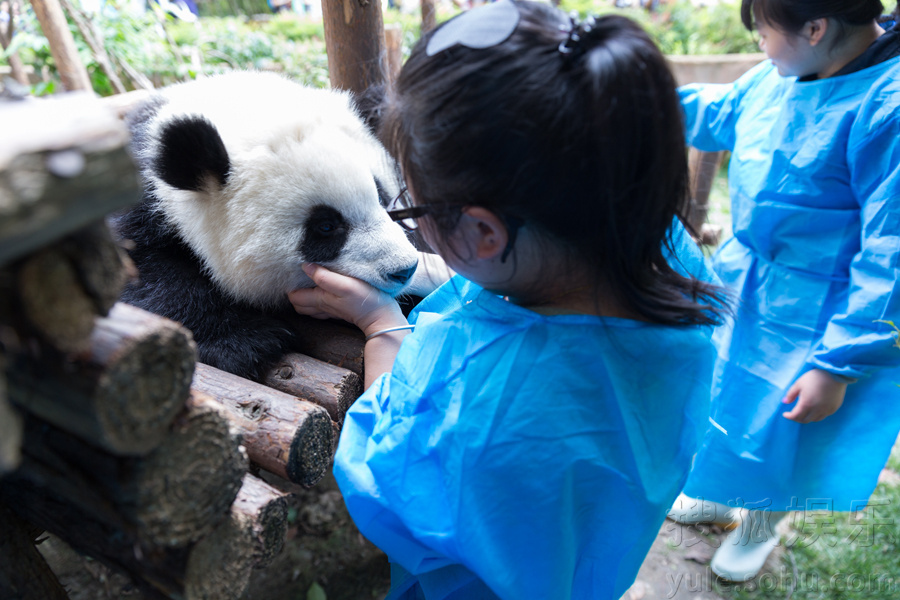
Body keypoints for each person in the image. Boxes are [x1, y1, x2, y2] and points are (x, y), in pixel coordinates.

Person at [289, 1, 728, 598]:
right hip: (595, 545)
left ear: (484, 234)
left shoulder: (484, 414)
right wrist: (428, 270)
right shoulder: (661, 249)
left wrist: (379, 321)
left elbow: (382, 473)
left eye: (412, 212)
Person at [667, 0, 900, 583]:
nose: (762, 48)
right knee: (724, 396)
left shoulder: (887, 107)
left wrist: (837, 364)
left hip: (825, 310)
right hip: (746, 281)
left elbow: (891, 254)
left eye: (765, 34)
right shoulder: (780, 74)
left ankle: (758, 525)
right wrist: (631, 97)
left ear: (816, 29)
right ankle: (717, 494)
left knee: (785, 424)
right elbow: (716, 112)